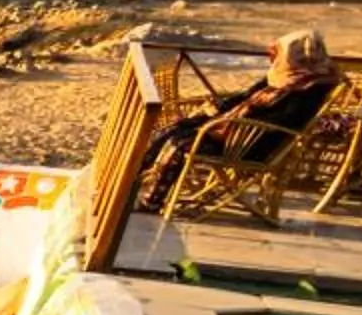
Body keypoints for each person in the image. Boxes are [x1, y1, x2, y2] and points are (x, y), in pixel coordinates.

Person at [136, 29, 343, 209]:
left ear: (298, 57)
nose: (275, 59)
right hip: (234, 132)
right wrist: (219, 109)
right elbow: (245, 97)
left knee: (179, 145)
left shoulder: (310, 88)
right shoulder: (285, 77)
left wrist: (236, 120)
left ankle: (151, 201)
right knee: (172, 129)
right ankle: (131, 184)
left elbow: (283, 121)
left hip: (250, 144)